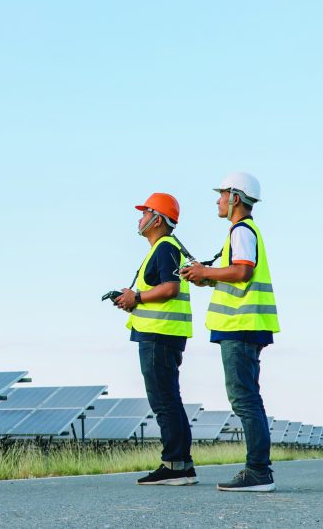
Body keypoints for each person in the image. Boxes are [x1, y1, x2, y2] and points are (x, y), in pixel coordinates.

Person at [181, 172, 279, 492]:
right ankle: (258, 470)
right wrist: (206, 277)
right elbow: (235, 273)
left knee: (244, 399)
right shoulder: (241, 233)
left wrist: (206, 271)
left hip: (241, 326)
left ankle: (258, 472)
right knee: (247, 398)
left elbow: (242, 271)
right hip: (244, 327)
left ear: (235, 198)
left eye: (222, 194)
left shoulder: (241, 231)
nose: (218, 200)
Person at [114, 193, 196, 486]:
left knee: (163, 400)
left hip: (158, 334)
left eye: (145, 213)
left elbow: (170, 288)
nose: (140, 218)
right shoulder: (164, 248)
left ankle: (173, 465)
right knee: (170, 398)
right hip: (164, 333)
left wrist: (136, 297)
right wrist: (131, 298)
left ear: (157, 219)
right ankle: (183, 465)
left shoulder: (164, 248)